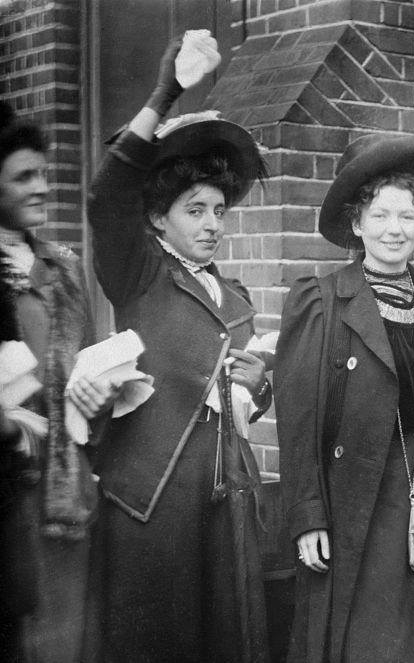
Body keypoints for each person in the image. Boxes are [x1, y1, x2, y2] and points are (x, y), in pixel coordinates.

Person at [85, 37, 272, 662]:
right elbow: (107, 195)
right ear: (159, 219)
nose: (213, 223)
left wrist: (259, 382)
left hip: (227, 500)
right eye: (195, 210)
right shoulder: (139, 271)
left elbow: (249, 395)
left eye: (219, 209)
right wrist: (166, 93)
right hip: (153, 501)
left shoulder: (237, 296)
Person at [276, 133, 414, 663]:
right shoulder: (321, 304)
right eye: (380, 216)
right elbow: (299, 424)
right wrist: (309, 517)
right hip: (356, 501)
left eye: (407, 217)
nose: (395, 230)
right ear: (356, 224)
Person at [0, 101, 117, 662]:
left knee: (68, 643)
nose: (43, 187)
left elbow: (93, 368)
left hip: (66, 492)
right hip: (9, 493)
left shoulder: (64, 268)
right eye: (24, 176)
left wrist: (101, 393)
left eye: (44, 173)